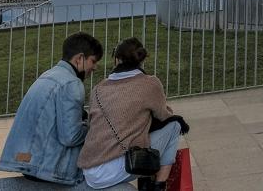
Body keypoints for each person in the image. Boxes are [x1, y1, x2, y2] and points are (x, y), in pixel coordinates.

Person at [79, 38, 186, 191]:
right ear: (141, 59)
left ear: (117, 59)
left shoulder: (98, 88)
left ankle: (148, 185)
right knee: (175, 125)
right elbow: (164, 116)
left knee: (140, 132)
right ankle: (158, 186)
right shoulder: (150, 83)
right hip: (118, 167)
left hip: (90, 170)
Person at [0, 33, 104, 185]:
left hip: (25, 162)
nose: (94, 67)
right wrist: (93, 127)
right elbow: (71, 137)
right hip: (46, 168)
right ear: (79, 58)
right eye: (93, 61)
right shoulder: (72, 84)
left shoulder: (48, 75)